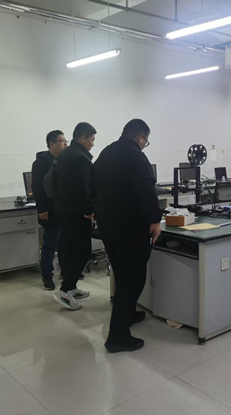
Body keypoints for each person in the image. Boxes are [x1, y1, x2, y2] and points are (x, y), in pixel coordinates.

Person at [94, 119, 162, 353]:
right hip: (131, 229)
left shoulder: (106, 153)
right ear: (140, 137)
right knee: (132, 279)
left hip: (109, 227)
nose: (144, 145)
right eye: (146, 141)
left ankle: (129, 314)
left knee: (122, 275)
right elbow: (146, 192)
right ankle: (118, 336)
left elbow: (92, 185)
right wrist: (155, 220)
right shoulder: (137, 157)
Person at [52, 122, 96, 310]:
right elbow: (82, 188)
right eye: (91, 139)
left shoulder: (65, 154)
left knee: (69, 250)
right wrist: (89, 210)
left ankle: (71, 287)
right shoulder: (79, 157)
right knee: (81, 251)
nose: (93, 143)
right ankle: (65, 290)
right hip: (78, 213)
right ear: (82, 138)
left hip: (65, 211)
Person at [31, 130, 67, 290]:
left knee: (65, 243)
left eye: (66, 141)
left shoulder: (64, 160)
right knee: (50, 244)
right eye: (62, 141)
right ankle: (47, 275)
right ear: (52, 144)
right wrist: (42, 209)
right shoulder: (41, 163)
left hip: (64, 210)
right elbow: (37, 188)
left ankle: (65, 271)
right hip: (50, 210)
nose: (65, 144)